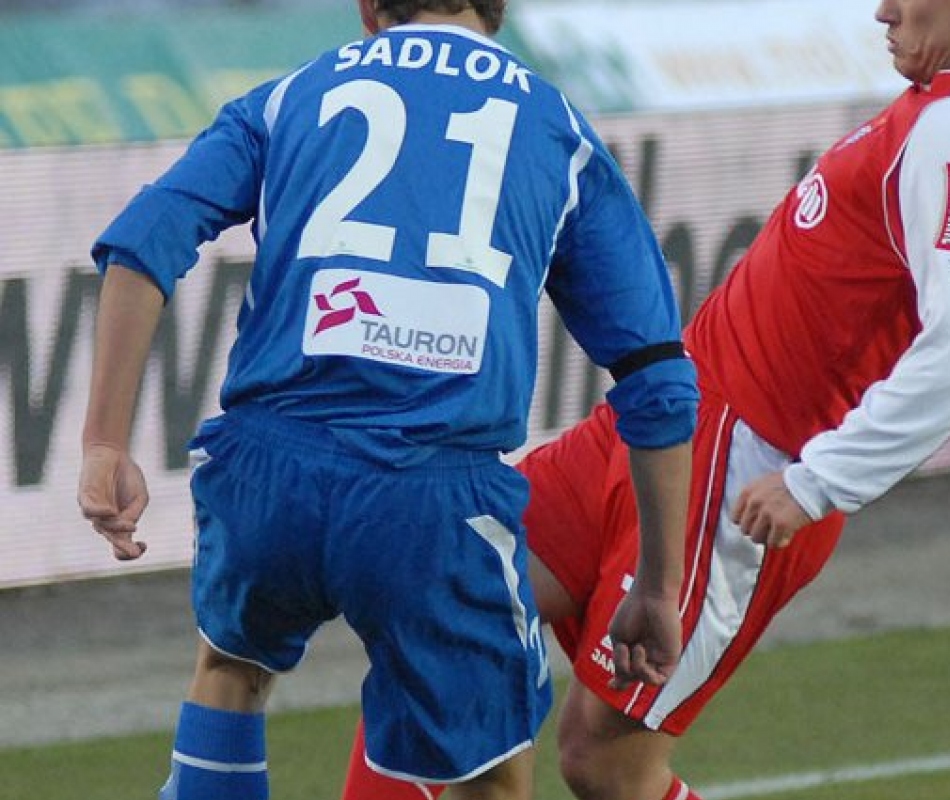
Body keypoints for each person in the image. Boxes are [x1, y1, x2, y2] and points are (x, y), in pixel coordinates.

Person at [339, 0, 950, 799]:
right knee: (436, 611)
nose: (883, 9)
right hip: (661, 428)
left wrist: (819, 483)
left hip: (737, 470)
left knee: (604, 763)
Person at [76, 2, 701, 799]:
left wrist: (104, 442)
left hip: (269, 469)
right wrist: (657, 586)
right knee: (490, 777)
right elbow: (656, 381)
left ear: (370, 8)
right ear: (497, 10)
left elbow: (143, 239)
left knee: (230, 669)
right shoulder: (557, 131)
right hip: (433, 497)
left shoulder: (290, 96)